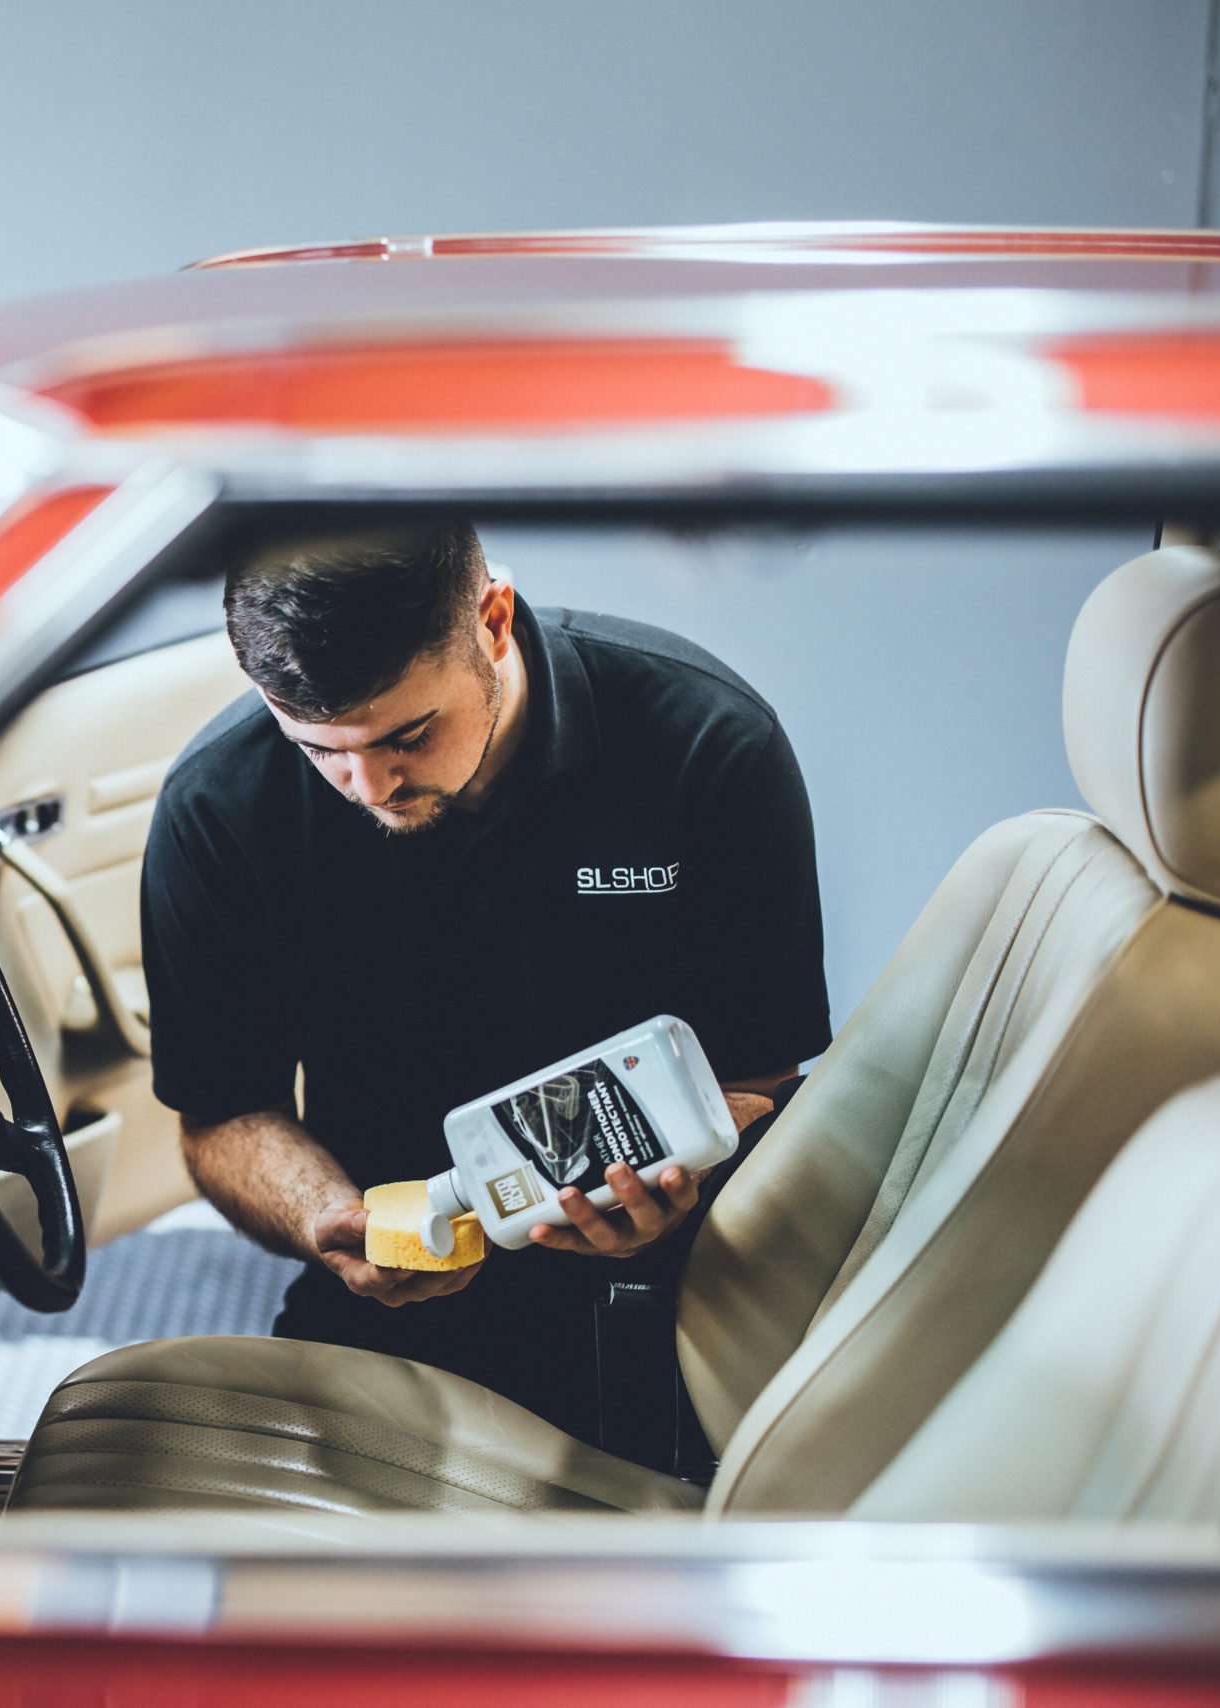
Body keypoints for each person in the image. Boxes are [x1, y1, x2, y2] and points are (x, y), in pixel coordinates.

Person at [141, 519, 830, 1451]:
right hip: (393, 1287)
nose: (369, 787)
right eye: (319, 750)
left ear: (494, 619)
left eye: (409, 737)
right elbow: (222, 1118)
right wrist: (328, 1222)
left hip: (673, 1284)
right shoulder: (217, 805)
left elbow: (763, 1077)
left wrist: (680, 1195)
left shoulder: (706, 741)